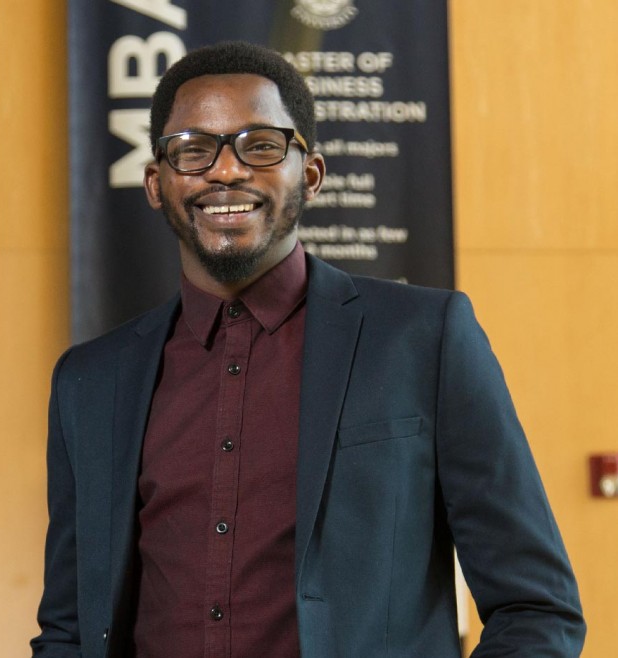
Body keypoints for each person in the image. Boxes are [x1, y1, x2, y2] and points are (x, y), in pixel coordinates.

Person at [31, 41, 584, 657]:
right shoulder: (91, 380)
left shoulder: (424, 338)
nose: (227, 170)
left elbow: (536, 608)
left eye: (260, 146)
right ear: (157, 184)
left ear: (311, 175)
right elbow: (70, 630)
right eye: (194, 150)